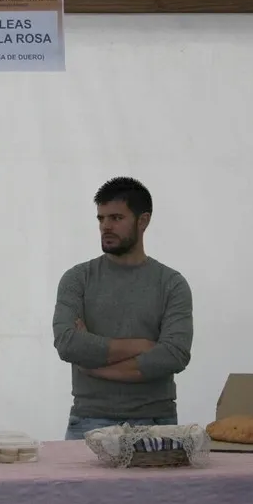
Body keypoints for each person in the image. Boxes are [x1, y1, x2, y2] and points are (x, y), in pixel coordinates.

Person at [52, 176, 194, 440]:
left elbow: (174, 355)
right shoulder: (78, 279)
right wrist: (142, 346)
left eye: (116, 218)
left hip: (157, 424)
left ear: (143, 221)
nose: (106, 226)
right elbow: (68, 344)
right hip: (89, 423)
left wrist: (94, 368)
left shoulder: (171, 284)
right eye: (101, 218)